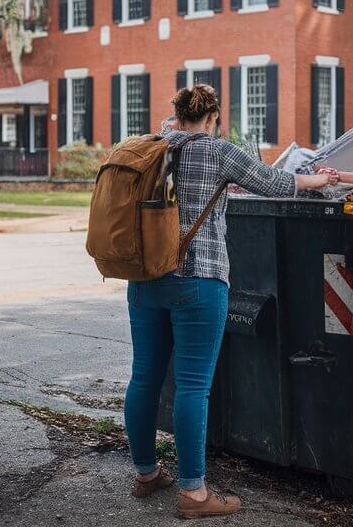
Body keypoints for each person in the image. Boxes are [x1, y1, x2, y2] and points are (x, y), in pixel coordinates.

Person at [124, 84, 338, 518]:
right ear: (214, 116)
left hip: (144, 279)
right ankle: (194, 493)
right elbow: (275, 182)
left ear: (178, 113)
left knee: (144, 378)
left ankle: (147, 474)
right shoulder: (221, 151)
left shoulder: (152, 147)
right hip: (199, 281)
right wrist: (320, 179)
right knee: (192, 387)